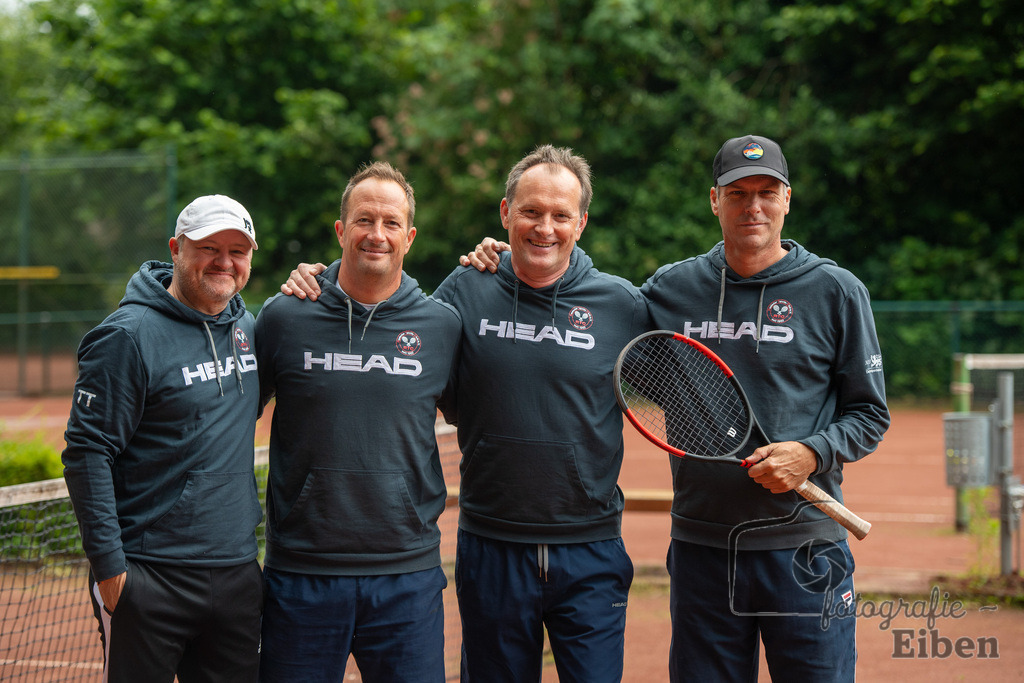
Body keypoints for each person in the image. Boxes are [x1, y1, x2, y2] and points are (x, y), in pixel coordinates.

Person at [465, 135, 890, 681]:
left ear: (788, 199)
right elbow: (581, 301)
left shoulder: (837, 291)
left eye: (766, 192)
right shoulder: (669, 291)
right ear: (715, 200)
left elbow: (869, 414)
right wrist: (508, 261)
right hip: (702, 551)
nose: (752, 206)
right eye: (737, 193)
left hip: (806, 548)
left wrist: (811, 454)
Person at [283, 145, 651, 682]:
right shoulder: (465, 290)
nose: (544, 227)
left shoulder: (623, 305)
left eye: (560, 215)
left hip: (591, 549)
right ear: (505, 214)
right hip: (491, 547)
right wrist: (316, 283)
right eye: (530, 211)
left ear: (582, 222)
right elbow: (409, 356)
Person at [254, 161, 461, 682]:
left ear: (409, 237)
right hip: (301, 576)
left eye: (391, 223)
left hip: (406, 579)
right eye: (364, 220)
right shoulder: (283, 317)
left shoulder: (442, 326)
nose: (377, 234)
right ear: (341, 230)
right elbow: (228, 417)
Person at [62, 194, 264, 683]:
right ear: (176, 249)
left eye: (237, 251)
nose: (224, 262)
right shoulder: (126, 337)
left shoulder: (248, 326)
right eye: (208, 247)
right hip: (150, 578)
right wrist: (113, 575)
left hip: (237, 575)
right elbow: (87, 453)